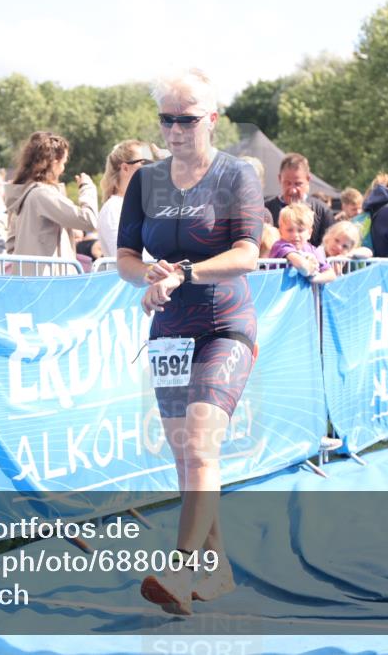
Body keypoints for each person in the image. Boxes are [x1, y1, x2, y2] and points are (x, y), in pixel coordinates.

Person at [116, 69, 263, 616]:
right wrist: (149, 280)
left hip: (225, 326)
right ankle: (217, 568)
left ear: (212, 119)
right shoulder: (146, 182)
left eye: (187, 119)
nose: (175, 130)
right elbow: (126, 258)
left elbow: (249, 253)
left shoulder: (235, 176)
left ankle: (180, 573)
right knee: (188, 458)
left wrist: (185, 273)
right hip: (170, 334)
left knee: (201, 446)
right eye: (166, 119)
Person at [4, 131, 98, 267]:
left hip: (32, 280)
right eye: (63, 162)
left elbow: (12, 244)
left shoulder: (22, 195)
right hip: (48, 282)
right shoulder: (42, 194)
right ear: (54, 163)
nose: (63, 168)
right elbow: (88, 220)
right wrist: (87, 188)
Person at [97, 140, 154, 257]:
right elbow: (123, 256)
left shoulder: (141, 206)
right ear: (125, 168)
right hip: (134, 274)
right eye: (146, 163)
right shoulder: (113, 208)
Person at [264, 153, 334, 245]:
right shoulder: (266, 209)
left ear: (308, 179)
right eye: (288, 183)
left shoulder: (322, 212)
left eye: (298, 184)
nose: (293, 190)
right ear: (280, 178)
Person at [269, 203, 336, 284]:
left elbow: (331, 274)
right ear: (280, 232)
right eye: (290, 230)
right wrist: (311, 266)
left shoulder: (312, 249)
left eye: (300, 230)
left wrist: (314, 279)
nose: (295, 235)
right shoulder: (280, 246)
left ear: (309, 233)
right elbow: (303, 267)